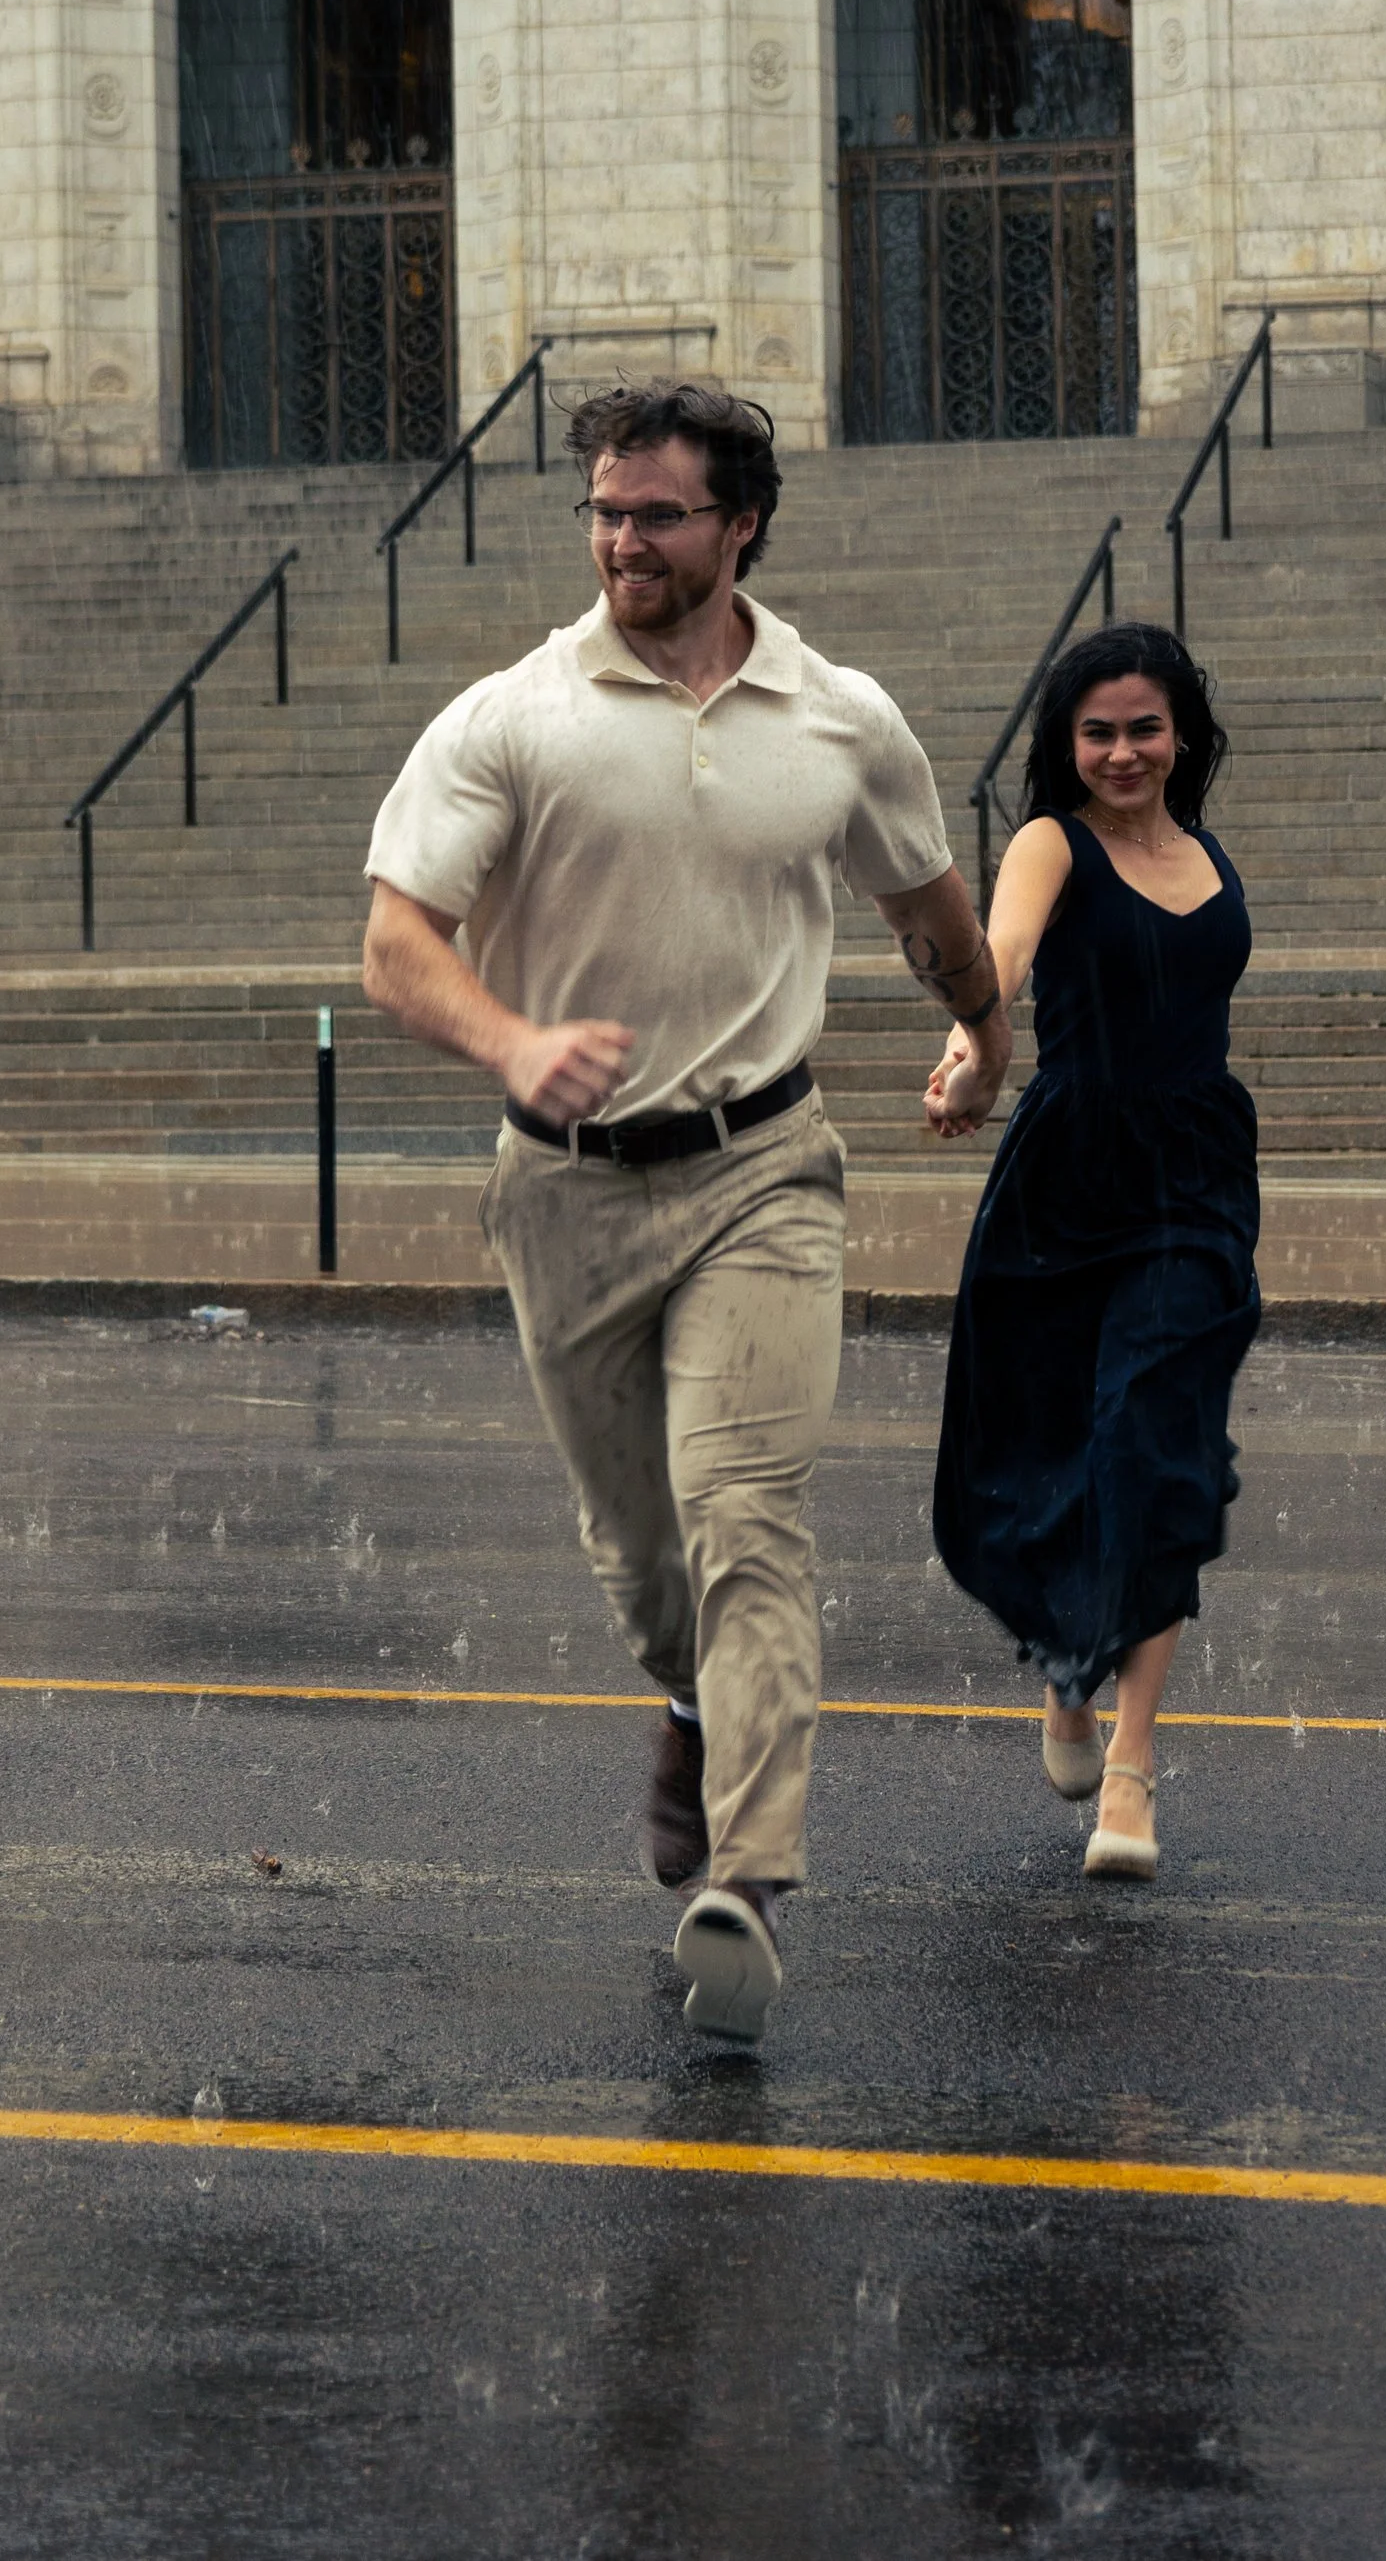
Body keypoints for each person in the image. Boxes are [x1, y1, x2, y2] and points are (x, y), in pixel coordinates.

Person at [361, 380, 1009, 2044]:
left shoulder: (841, 719)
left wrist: (981, 1030)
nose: (621, 539)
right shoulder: (514, 716)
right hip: (565, 1196)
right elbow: (396, 943)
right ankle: (681, 1698)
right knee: (646, 1562)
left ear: (742, 528)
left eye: (654, 514)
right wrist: (511, 1040)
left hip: (765, 1170)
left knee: (747, 1512)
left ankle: (751, 1875)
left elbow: (933, 912)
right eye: (603, 510)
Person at [923, 623, 1260, 1884]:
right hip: (1067, 1184)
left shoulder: (1204, 851)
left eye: (1145, 728)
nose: (1123, 751)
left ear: (1183, 736)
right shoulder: (1049, 844)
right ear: (1067, 746)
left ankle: (1129, 1764)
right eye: (1098, 732)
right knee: (1046, 1450)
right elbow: (998, 960)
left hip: (1197, 1180)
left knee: (1156, 1444)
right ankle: (1067, 1659)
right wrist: (970, 1053)